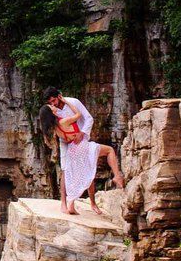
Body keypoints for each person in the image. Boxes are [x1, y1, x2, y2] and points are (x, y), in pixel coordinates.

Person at [38, 87, 124, 216]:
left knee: (86, 168)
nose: (53, 104)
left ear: (59, 96)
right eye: (51, 103)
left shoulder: (73, 102)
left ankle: (91, 203)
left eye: (54, 100)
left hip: (79, 138)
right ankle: (64, 203)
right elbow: (67, 122)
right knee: (65, 170)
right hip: (67, 142)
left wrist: (82, 133)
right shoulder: (54, 113)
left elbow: (89, 118)